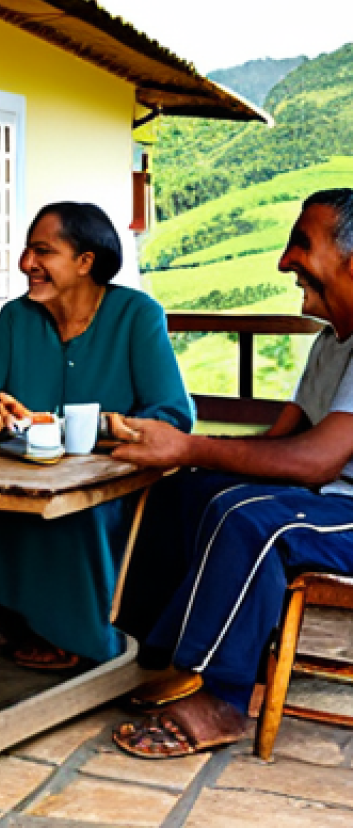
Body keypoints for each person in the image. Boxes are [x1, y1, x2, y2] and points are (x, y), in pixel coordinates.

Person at [109, 188, 353, 759]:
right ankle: (166, 653)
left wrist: (187, 442)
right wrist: (186, 453)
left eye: (302, 244)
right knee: (188, 489)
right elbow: (281, 443)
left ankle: (222, 697)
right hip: (329, 499)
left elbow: (316, 459)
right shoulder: (332, 342)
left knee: (250, 518)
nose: (285, 261)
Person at [0, 202, 193, 670]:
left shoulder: (136, 315)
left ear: (86, 262)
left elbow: (170, 415)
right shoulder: (15, 318)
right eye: (27, 251)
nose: (27, 264)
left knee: (73, 512)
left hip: (111, 483)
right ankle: (14, 617)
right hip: (26, 475)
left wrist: (71, 425)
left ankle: (80, 639)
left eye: (43, 251)